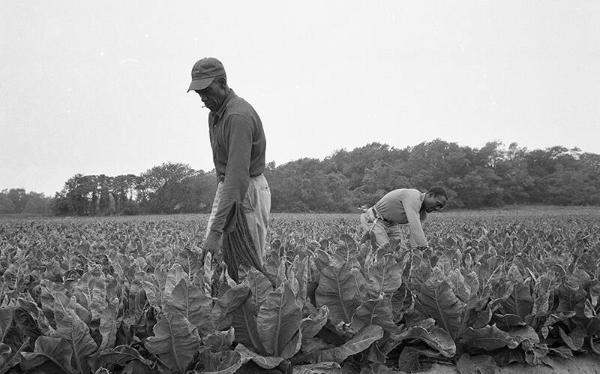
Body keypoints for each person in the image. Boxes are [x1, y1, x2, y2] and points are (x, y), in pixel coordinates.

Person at [188, 57, 271, 276]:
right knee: (219, 260)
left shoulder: (237, 116)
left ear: (223, 83)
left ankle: (257, 309)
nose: (204, 99)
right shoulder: (215, 115)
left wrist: (216, 232)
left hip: (247, 190)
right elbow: (224, 169)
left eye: (206, 91)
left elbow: (238, 176)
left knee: (248, 267)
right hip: (229, 187)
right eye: (199, 94)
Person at [360, 187, 448, 250]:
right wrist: (424, 247)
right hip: (374, 219)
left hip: (392, 225)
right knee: (385, 251)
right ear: (430, 195)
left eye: (440, 207)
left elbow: (415, 235)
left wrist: (416, 251)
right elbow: (414, 224)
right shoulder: (414, 196)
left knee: (402, 252)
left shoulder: (423, 214)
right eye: (437, 204)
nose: (437, 209)